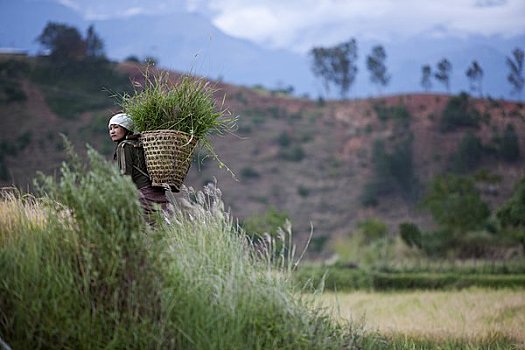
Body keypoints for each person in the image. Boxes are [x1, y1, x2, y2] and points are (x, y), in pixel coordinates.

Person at [108, 113, 173, 224]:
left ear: (126, 128)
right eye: (110, 128)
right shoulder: (143, 144)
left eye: (116, 127)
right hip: (158, 195)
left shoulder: (123, 146)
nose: (112, 131)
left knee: (144, 232)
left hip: (142, 197)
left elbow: (124, 175)